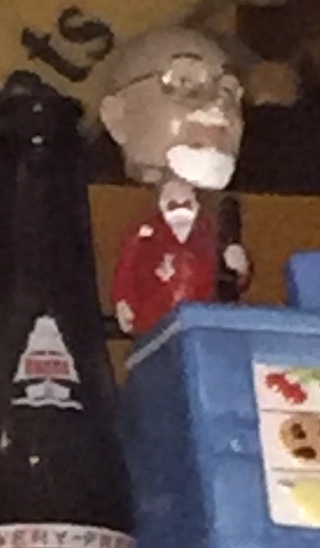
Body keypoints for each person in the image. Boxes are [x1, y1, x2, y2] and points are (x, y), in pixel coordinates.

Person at [99, 26, 251, 337]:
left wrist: (237, 268)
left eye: (228, 91)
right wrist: (124, 301)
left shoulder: (212, 224)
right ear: (117, 117)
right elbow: (127, 267)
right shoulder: (136, 225)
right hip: (154, 321)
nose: (218, 106)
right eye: (185, 82)